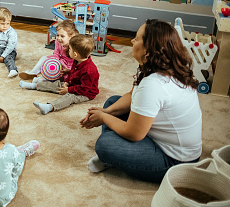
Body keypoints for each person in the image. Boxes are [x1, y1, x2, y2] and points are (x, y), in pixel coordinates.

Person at [80, 19, 202, 183]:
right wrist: (106, 112)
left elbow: (133, 133)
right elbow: (133, 95)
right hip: (163, 139)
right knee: (112, 102)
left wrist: (103, 118)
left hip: (176, 161)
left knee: (105, 145)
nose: (132, 41)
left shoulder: (154, 84)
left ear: (149, 50)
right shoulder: (160, 66)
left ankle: (111, 157)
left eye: (136, 39)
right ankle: (118, 155)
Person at [32, 35, 99, 115]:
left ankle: (49, 107)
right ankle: (34, 85)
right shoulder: (76, 60)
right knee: (58, 84)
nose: (68, 50)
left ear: (75, 54)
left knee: (70, 97)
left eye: (69, 49)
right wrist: (67, 82)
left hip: (86, 93)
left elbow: (84, 88)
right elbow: (73, 73)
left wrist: (68, 90)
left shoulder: (89, 71)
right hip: (74, 84)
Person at [19, 19, 78, 87]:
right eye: (57, 35)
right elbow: (56, 53)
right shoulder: (57, 41)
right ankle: (32, 73)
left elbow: (74, 63)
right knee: (45, 59)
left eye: (62, 36)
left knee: (58, 77)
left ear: (70, 36)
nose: (59, 38)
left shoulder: (74, 46)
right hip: (59, 61)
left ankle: (39, 81)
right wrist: (56, 61)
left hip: (67, 67)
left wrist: (66, 68)